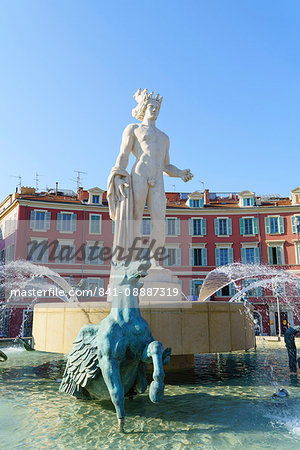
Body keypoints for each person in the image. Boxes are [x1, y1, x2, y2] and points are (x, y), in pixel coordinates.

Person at [107, 89, 193, 266]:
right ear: (144, 108)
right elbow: (123, 155)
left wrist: (180, 173)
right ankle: (132, 260)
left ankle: (155, 263)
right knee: (135, 217)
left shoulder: (164, 137)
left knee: (160, 221)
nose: (154, 110)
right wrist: (119, 176)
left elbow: (166, 165)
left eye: (157, 108)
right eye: (151, 106)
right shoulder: (134, 129)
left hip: (158, 180)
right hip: (139, 174)